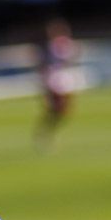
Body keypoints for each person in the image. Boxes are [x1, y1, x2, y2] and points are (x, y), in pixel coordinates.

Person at [35, 18, 80, 149]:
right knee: (56, 110)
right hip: (54, 81)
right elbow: (44, 65)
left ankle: (47, 133)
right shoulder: (50, 47)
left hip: (64, 80)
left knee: (64, 111)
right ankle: (45, 135)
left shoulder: (65, 44)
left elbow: (70, 60)